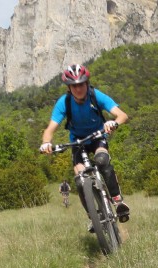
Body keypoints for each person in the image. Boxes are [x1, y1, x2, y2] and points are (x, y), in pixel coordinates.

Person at [39, 64, 130, 229]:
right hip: (78, 142)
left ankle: (117, 201)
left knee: (102, 160)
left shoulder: (96, 96)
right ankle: (93, 217)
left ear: (87, 83)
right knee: (81, 180)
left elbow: (122, 115)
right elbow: (50, 129)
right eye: (74, 85)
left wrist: (113, 122)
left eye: (81, 84)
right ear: (69, 87)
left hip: (97, 137)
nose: (78, 88)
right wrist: (46, 143)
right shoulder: (64, 102)